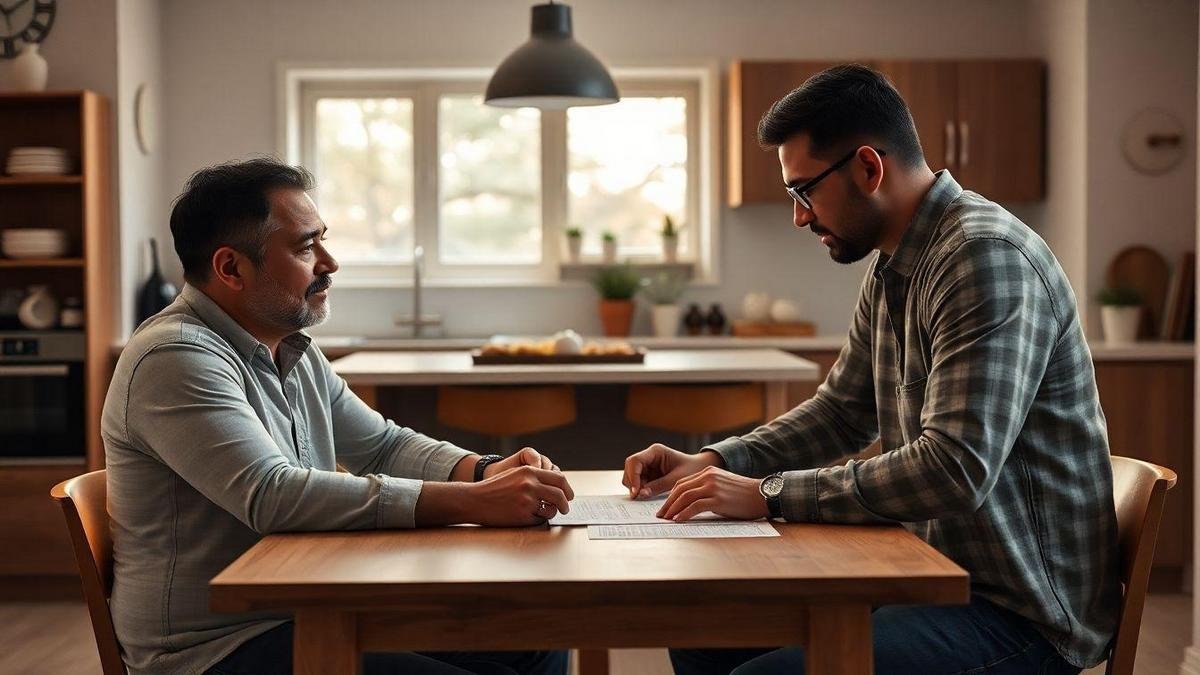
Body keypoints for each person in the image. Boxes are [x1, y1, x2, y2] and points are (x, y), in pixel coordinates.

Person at [623, 64, 1119, 674]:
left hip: (1021, 614)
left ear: (868, 167)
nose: (799, 217)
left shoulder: (984, 259)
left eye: (804, 191)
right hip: (926, 577)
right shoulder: (894, 264)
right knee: (702, 626)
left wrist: (769, 495)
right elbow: (842, 412)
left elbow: (954, 468)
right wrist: (720, 461)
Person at [102, 158, 572, 675]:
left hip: (311, 605)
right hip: (217, 646)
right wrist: (476, 501)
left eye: (322, 240)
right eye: (306, 247)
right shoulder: (174, 356)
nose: (330, 261)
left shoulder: (288, 346)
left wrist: (484, 470)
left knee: (540, 633)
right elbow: (272, 495)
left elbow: (383, 445)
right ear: (231, 268)